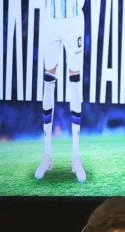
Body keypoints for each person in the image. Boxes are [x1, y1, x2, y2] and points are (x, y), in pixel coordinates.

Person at [33, 0, 87, 183]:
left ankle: (76, 157)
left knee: (75, 80)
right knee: (49, 78)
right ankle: (47, 156)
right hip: (50, 20)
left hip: (74, 20)